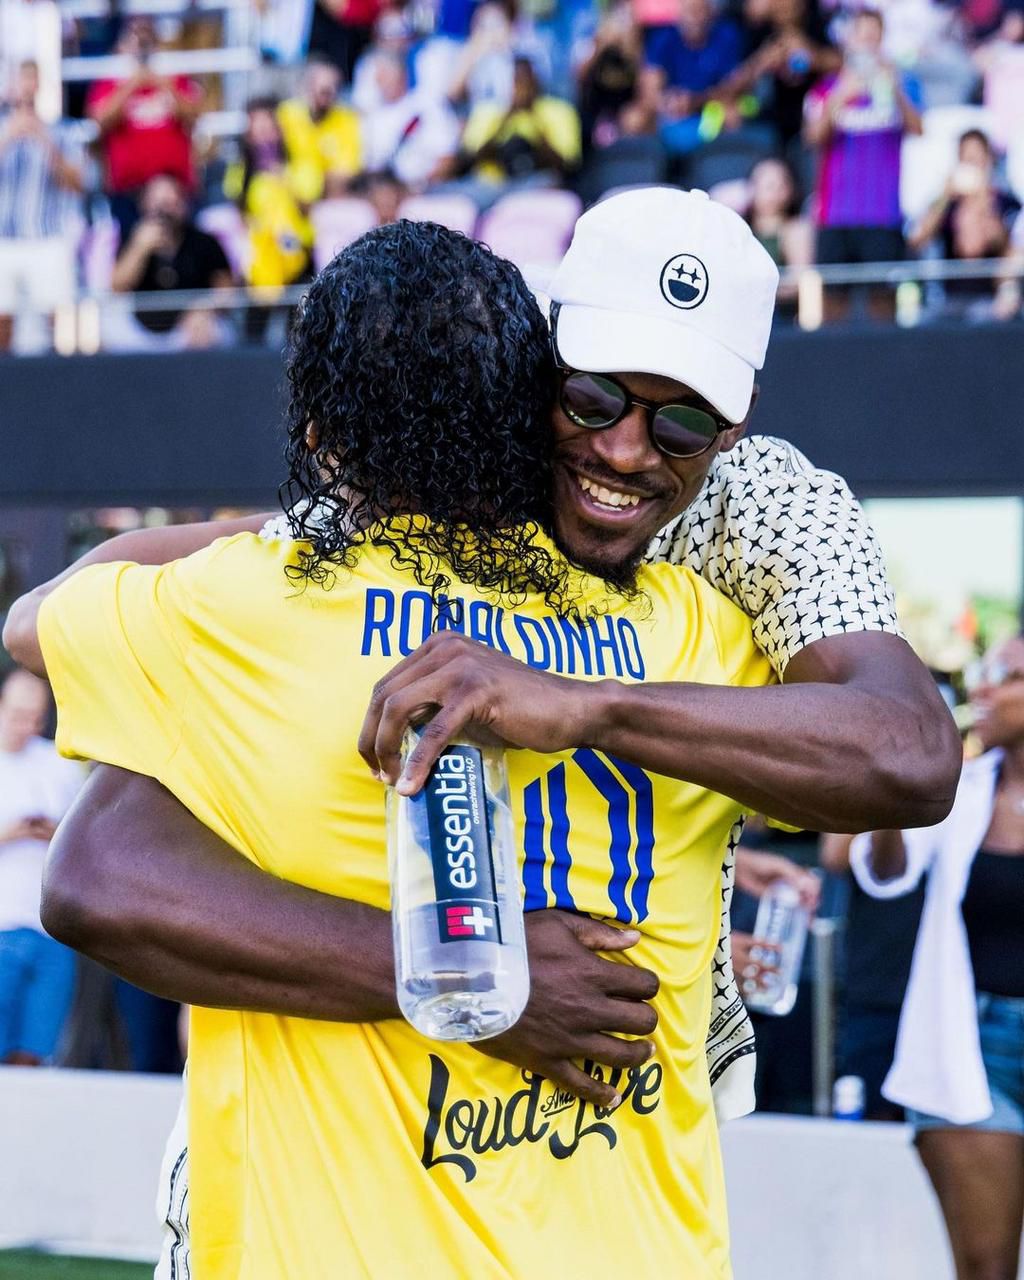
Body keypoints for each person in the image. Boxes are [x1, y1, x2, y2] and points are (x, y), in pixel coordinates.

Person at [19, 191, 961, 1271]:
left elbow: (907, 750)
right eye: (593, 396)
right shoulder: (685, 628)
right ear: (534, 368)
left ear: (733, 431)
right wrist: (473, 975)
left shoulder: (749, 539)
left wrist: (583, 702)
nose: (625, 449)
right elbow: (94, 867)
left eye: (683, 423)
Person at [848, 635, 1024, 1280]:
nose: (984, 689)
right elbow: (885, 874)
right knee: (985, 1267)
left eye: (1008, 676)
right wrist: (891, 798)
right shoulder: (964, 788)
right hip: (974, 1047)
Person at [803, 8, 923, 322]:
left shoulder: (902, 84)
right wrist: (841, 96)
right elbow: (812, 137)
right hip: (835, 214)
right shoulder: (826, 89)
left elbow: (918, 128)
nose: (868, 43)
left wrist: (895, 89)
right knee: (832, 305)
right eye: (862, 35)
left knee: (883, 304)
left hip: (882, 214)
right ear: (849, 40)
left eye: (874, 36)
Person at [0, 669, 83, 1065]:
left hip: (51, 929)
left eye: (35, 718)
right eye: (18, 715)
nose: (26, 727)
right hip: (3, 925)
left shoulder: (60, 766)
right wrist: (9, 834)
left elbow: (86, 843)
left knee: (36, 1051)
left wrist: (54, 833)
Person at [86, 17, 203, 244]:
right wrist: (132, 84)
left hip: (175, 189)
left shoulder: (173, 75)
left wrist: (163, 84)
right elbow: (100, 120)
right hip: (129, 191)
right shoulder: (110, 79)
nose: (142, 43)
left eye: (146, 35)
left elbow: (193, 115)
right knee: (131, 251)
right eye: (136, 35)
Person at [0, 59, 83, 353]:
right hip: (4, 238)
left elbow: (77, 183)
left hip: (47, 236)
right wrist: (9, 137)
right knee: (3, 322)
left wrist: (43, 139)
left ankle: (56, 376)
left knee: (56, 321)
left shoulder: (61, 131)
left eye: (31, 79)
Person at [108, 173, 233, 351]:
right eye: (157, 203)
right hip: (141, 333)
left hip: (188, 332)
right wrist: (139, 249)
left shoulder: (204, 242)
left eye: (170, 204)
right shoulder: (132, 239)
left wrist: (206, 308)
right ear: (144, 204)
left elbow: (226, 291)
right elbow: (117, 286)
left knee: (217, 332)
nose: (164, 212)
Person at [908, 128, 1022, 321]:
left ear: (989, 160)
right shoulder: (946, 204)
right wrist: (945, 196)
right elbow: (917, 239)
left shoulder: (1006, 202)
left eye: (976, 158)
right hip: (948, 301)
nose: (971, 164)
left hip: (991, 302)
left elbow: (1004, 245)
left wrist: (982, 203)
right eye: (965, 158)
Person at [450, 55, 581, 202]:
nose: (522, 88)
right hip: (491, 187)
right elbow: (471, 159)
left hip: (535, 184)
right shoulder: (486, 111)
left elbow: (566, 167)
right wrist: (506, 118)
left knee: (551, 185)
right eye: (516, 81)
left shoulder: (559, 110)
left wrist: (535, 119)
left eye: (526, 81)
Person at [224, 97, 315, 291]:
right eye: (257, 130)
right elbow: (240, 210)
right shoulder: (240, 171)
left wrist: (284, 180)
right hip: (259, 247)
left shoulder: (299, 166)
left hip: (294, 243)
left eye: (268, 128)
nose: (264, 137)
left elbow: (307, 207)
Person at [643, 0, 746, 154]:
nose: (694, 17)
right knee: (635, 118)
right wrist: (668, 103)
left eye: (699, 10)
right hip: (670, 109)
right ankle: (650, 165)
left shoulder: (726, 35)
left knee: (732, 115)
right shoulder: (663, 37)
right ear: (679, 13)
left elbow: (732, 87)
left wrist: (695, 101)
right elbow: (650, 89)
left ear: (711, 13)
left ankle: (720, 163)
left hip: (710, 106)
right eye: (689, 10)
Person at [358, 51, 461, 187]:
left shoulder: (427, 105)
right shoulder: (371, 117)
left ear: (402, 75)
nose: (381, 82)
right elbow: (369, 168)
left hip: (428, 188)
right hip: (385, 190)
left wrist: (420, 185)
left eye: (386, 75)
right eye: (378, 77)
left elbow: (447, 159)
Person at [277, 56, 362, 201]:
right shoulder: (286, 115)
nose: (325, 98)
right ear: (307, 87)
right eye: (322, 91)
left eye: (331, 90)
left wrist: (316, 180)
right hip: (288, 190)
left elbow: (348, 169)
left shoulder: (347, 119)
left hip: (331, 195)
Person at [744, 155, 813, 315]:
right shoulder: (739, 230)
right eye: (768, 186)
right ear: (751, 188)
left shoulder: (796, 230)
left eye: (781, 185)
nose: (775, 193)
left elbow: (798, 282)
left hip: (781, 315)